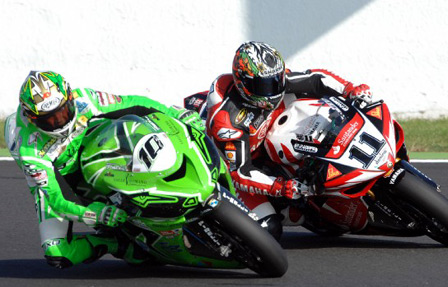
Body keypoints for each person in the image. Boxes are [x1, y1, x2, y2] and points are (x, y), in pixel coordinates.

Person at [4, 70, 204, 268]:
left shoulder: (85, 99)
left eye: (62, 112)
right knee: (57, 251)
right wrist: (93, 214)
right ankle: (118, 245)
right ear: (32, 118)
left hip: (98, 147)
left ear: (70, 98)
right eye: (48, 119)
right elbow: (58, 200)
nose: (59, 122)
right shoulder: (29, 149)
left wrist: (177, 114)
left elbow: (135, 102)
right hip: (60, 178)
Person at [205, 41, 373, 239]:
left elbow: (315, 79)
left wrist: (350, 90)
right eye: (265, 85)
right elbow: (240, 173)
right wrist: (281, 187)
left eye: (277, 80)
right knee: (269, 229)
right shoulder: (227, 121)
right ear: (244, 84)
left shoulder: (273, 78)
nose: (273, 89)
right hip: (242, 170)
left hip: (275, 141)